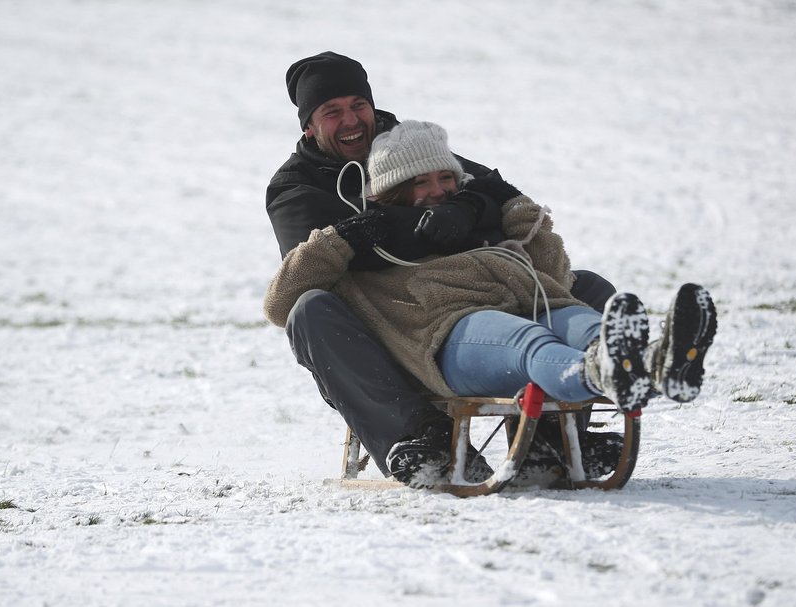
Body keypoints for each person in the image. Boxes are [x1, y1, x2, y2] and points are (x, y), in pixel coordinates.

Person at [264, 120, 718, 486]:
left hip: (529, 305)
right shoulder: (375, 257)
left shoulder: (470, 225)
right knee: (527, 341)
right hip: (449, 336)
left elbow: (556, 278)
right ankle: (597, 373)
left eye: (447, 178)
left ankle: (654, 365)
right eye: (420, 182)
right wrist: (343, 238)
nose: (438, 191)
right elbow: (283, 302)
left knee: (579, 317)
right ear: (392, 191)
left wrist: (510, 204)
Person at [265, 51, 618, 482]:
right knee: (310, 310)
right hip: (389, 327)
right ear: (309, 125)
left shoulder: (405, 143)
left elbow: (492, 188)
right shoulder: (296, 187)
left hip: (471, 298)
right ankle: (420, 437)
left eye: (358, 105)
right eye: (333, 112)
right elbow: (323, 264)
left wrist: (467, 206)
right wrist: (425, 225)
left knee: (588, 288)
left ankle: (551, 443)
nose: (352, 120)